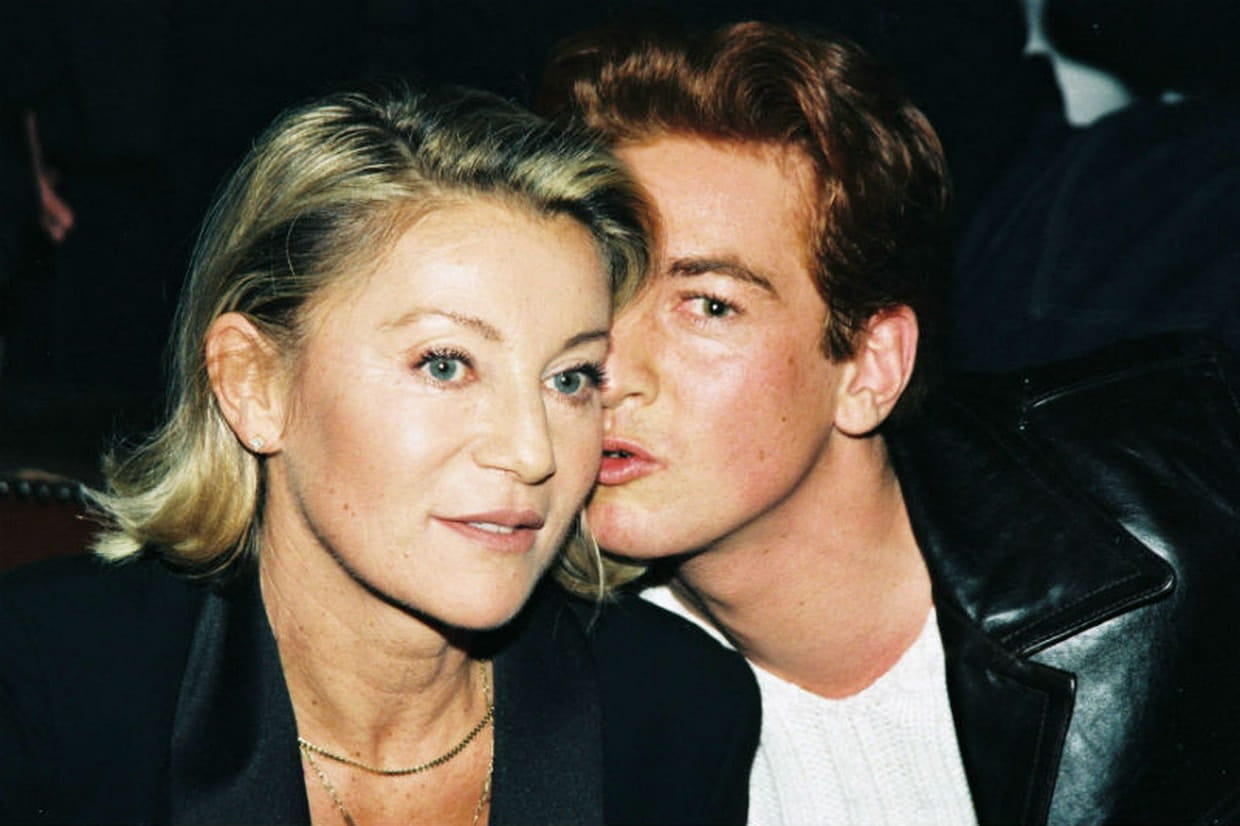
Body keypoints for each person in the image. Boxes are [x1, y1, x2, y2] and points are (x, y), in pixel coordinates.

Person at [539, 20, 1240, 825]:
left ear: (871, 367)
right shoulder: (543, 693)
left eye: (709, 305)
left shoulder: (1182, 533)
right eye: (601, 290)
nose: (612, 370)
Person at [0, 84, 759, 825]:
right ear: (253, 383)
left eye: (570, 378)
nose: (532, 453)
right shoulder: (44, 692)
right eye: (445, 365)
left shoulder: (676, 714)